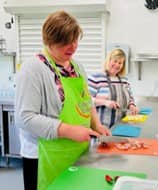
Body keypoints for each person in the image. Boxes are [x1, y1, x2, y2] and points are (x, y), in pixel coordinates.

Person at [15, 10, 110, 190]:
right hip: (43, 157)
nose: (73, 46)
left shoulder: (77, 66)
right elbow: (24, 118)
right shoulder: (33, 69)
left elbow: (86, 100)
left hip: (76, 152)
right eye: (65, 41)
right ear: (49, 40)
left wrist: (96, 124)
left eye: (75, 40)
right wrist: (68, 130)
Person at [88, 48, 139, 128]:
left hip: (121, 126)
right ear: (109, 60)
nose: (117, 65)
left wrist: (132, 105)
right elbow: (86, 100)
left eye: (120, 63)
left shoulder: (124, 80)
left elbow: (130, 98)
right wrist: (105, 102)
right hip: (101, 127)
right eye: (115, 61)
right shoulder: (96, 78)